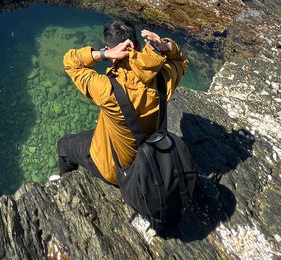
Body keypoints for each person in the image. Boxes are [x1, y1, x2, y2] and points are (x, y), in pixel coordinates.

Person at [57, 18, 188, 184]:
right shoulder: (164, 78)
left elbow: (70, 62)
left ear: (111, 50)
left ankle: (62, 184)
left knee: (64, 145)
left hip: (117, 170)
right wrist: (165, 46)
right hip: (152, 155)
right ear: (139, 46)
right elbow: (180, 61)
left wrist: (103, 55)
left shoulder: (107, 90)